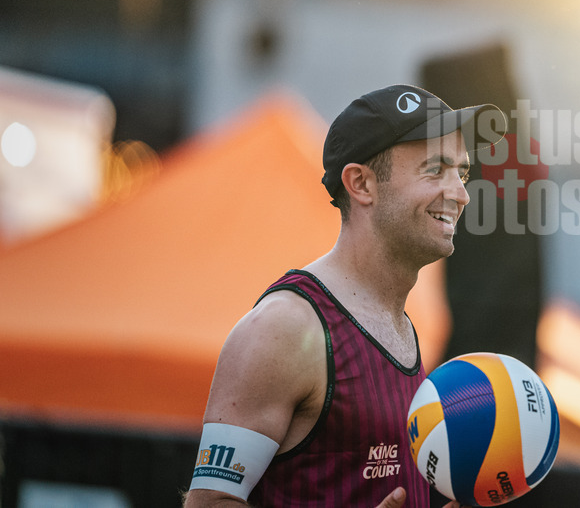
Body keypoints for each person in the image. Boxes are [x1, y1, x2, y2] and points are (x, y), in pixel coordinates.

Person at [183, 84, 506, 508]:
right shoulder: (284, 327)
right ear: (361, 184)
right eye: (435, 169)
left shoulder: (401, 326)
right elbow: (208, 503)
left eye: (461, 173)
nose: (461, 194)